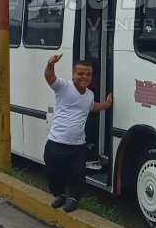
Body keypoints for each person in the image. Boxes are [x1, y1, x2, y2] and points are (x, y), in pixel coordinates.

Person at [43, 54, 113, 212]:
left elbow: (92, 106)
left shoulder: (89, 95)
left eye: (88, 74)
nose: (85, 77)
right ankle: (59, 195)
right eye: (81, 73)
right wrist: (50, 64)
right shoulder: (63, 86)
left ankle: (73, 199)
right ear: (73, 74)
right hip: (56, 142)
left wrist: (106, 105)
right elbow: (49, 77)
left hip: (78, 146)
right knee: (54, 172)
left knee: (77, 175)